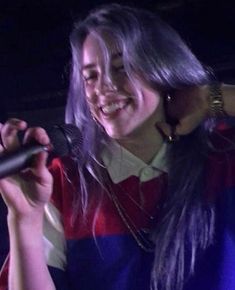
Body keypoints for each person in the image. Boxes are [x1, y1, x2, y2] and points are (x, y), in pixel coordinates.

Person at [0, 3, 235, 290]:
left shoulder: (224, 155)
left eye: (122, 68)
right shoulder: (60, 182)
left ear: (162, 67)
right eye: (90, 76)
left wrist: (212, 97)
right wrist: (23, 219)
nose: (104, 86)